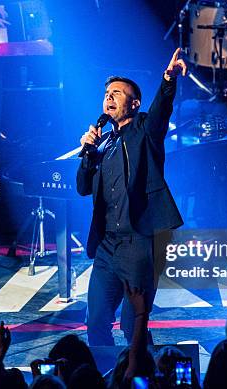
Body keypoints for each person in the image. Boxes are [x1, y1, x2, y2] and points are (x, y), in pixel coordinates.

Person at [76, 48, 185, 346]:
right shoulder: (102, 144)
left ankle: (142, 376)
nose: (109, 97)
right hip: (106, 245)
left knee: (132, 325)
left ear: (134, 104)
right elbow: (82, 188)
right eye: (107, 93)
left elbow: (161, 110)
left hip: (139, 243)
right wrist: (87, 153)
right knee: (96, 321)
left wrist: (168, 80)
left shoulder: (144, 131)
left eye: (117, 93)